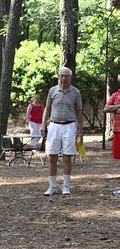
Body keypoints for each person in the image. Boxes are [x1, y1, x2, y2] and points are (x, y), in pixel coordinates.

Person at [40, 67, 83, 196]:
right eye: (62, 76)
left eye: (66, 76)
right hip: (54, 126)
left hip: (69, 126)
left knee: (67, 156)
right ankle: (52, 186)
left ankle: (66, 186)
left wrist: (80, 130)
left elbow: (79, 112)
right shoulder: (52, 91)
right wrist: (43, 125)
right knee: (52, 156)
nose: (64, 78)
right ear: (59, 77)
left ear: (70, 77)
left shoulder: (75, 92)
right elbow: (47, 109)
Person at [104, 73, 120, 159]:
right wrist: (117, 106)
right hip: (117, 130)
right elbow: (106, 108)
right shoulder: (115, 95)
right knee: (117, 157)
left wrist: (115, 110)